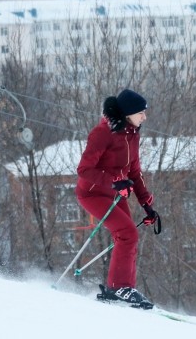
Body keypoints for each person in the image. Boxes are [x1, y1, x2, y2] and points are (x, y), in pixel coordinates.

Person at [76, 89, 160, 309]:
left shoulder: (132, 134)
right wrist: (114, 181)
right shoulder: (102, 133)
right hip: (93, 193)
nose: (144, 117)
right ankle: (118, 287)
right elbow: (84, 169)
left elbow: (134, 172)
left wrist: (147, 205)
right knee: (127, 233)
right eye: (141, 112)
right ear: (128, 113)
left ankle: (125, 287)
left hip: (116, 192)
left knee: (128, 236)